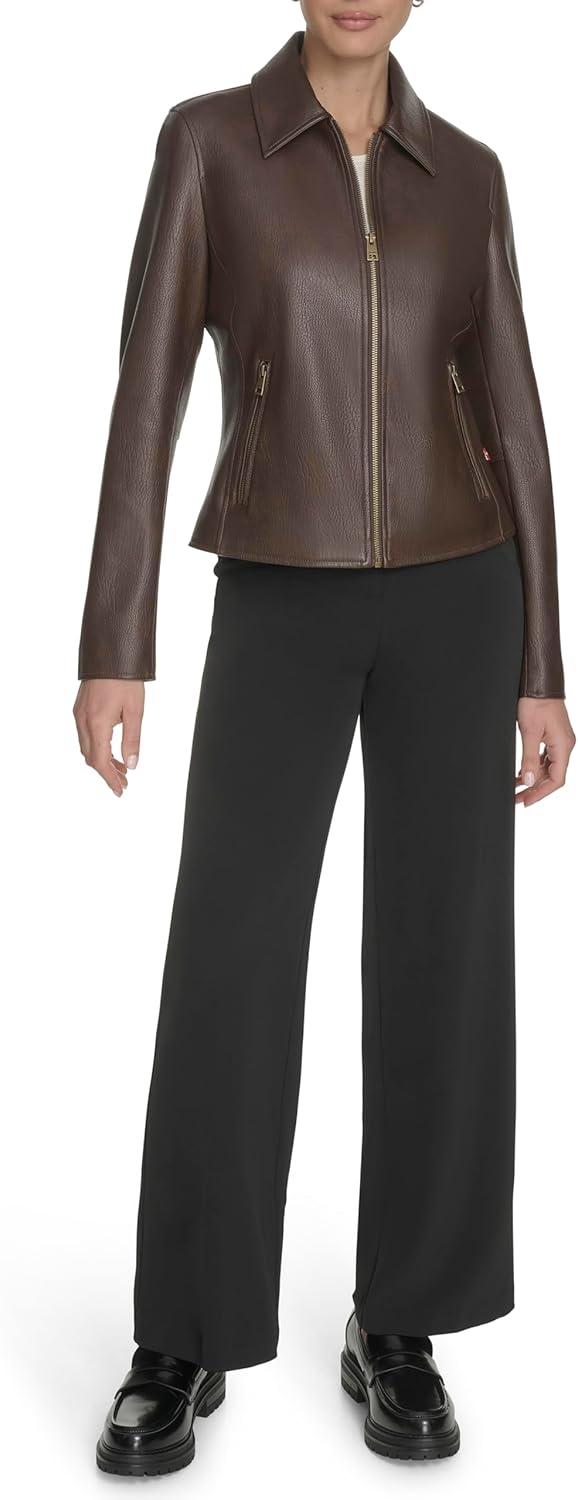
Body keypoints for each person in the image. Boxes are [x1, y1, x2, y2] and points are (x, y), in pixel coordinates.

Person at [73, 0, 575, 1475]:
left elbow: (518, 416)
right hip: (279, 592)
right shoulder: (210, 146)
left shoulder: (466, 171)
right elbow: (148, 390)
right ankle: (185, 1329)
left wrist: (541, 661)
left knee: (442, 960)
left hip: (458, 595)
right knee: (229, 957)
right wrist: (115, 640)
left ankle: (401, 1319)